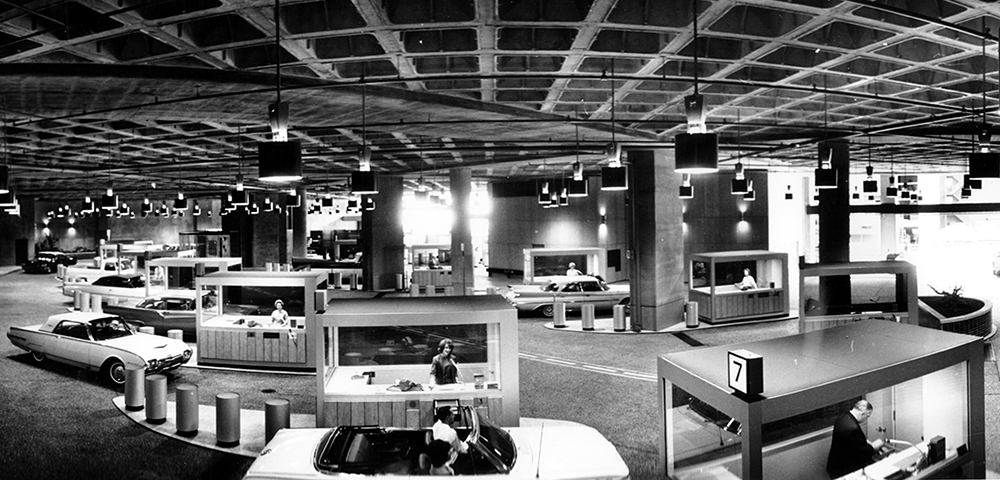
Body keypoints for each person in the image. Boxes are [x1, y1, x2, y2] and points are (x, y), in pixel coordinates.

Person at [827, 399, 885, 478]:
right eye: (867, 416)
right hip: (845, 470)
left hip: (835, 464)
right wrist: (874, 446)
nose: (867, 419)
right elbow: (862, 453)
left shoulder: (843, 417)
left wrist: (867, 443)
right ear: (862, 414)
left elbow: (853, 442)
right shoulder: (853, 428)